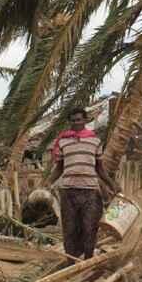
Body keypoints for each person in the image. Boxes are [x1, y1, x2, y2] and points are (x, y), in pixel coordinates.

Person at [48, 107, 120, 260]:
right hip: (68, 191)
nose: (76, 123)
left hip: (90, 192)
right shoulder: (63, 141)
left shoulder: (95, 141)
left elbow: (99, 168)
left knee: (90, 228)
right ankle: (70, 262)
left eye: (79, 120)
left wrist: (112, 184)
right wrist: (47, 183)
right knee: (70, 229)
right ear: (69, 122)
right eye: (73, 120)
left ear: (86, 120)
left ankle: (87, 261)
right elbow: (59, 168)